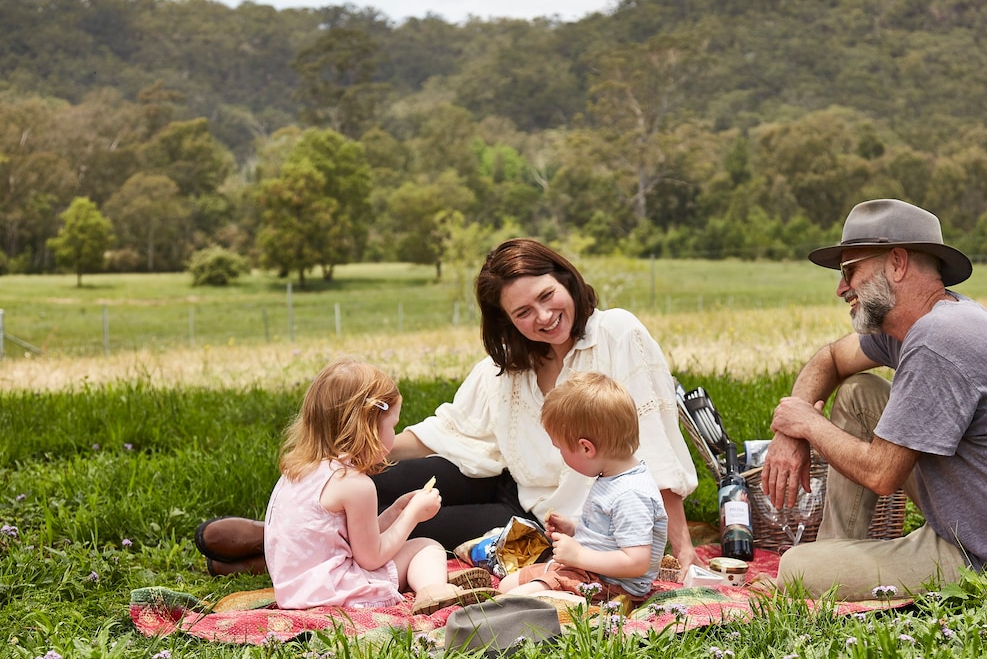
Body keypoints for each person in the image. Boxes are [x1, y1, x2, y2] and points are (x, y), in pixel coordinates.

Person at [195, 239, 699, 574]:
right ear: (505, 320)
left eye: (548, 296)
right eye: (523, 311)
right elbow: (449, 432)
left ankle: (275, 547)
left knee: (413, 524)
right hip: (497, 475)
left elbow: (654, 442)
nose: (544, 317)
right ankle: (294, 533)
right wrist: (347, 455)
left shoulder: (617, 333)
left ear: (567, 280)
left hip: (551, 519)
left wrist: (681, 551)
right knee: (370, 489)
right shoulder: (508, 365)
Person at [761, 199, 987, 600]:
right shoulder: (927, 322)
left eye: (850, 270)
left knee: (795, 569)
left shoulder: (939, 339)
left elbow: (883, 475)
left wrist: (808, 424)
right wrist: (789, 433)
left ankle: (829, 569)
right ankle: (837, 551)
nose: (840, 288)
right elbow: (830, 359)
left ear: (897, 263)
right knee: (858, 392)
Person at [262, 357, 497, 614]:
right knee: (427, 546)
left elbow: (353, 539)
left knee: (415, 553)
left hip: (296, 590)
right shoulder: (355, 485)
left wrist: (394, 512)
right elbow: (372, 556)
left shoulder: (297, 471)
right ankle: (433, 589)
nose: (394, 436)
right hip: (337, 593)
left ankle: (428, 579)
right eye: (393, 426)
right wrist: (412, 516)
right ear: (369, 428)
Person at [498, 372, 668, 603]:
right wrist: (574, 528)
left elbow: (636, 562)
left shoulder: (631, 494)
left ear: (586, 448)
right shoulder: (613, 477)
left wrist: (579, 555)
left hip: (611, 587)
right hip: (587, 572)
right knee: (507, 585)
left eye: (561, 449)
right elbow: (611, 533)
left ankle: (574, 606)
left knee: (515, 599)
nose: (560, 455)